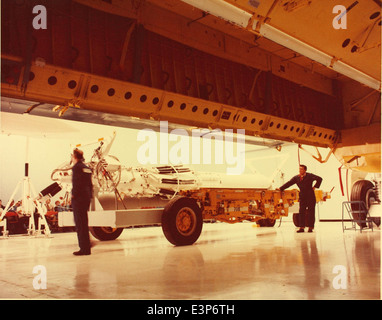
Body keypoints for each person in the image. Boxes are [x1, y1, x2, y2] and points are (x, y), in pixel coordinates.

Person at [278, 164, 322, 233]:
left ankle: (310, 227)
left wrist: (315, 186)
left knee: (311, 212)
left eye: (301, 169)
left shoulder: (309, 176)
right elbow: (289, 183)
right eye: (299, 169)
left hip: (310, 195)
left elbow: (319, 179)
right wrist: (281, 188)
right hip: (302, 196)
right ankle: (302, 227)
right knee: (301, 211)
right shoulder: (297, 178)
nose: (300, 170)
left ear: (305, 170)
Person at [71, 148, 93, 256]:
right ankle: (87, 248)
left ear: (74, 157)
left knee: (80, 224)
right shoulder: (87, 168)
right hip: (86, 198)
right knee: (84, 223)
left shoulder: (76, 168)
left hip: (79, 199)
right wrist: (90, 196)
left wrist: (73, 194)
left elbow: (76, 183)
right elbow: (90, 184)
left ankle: (83, 249)